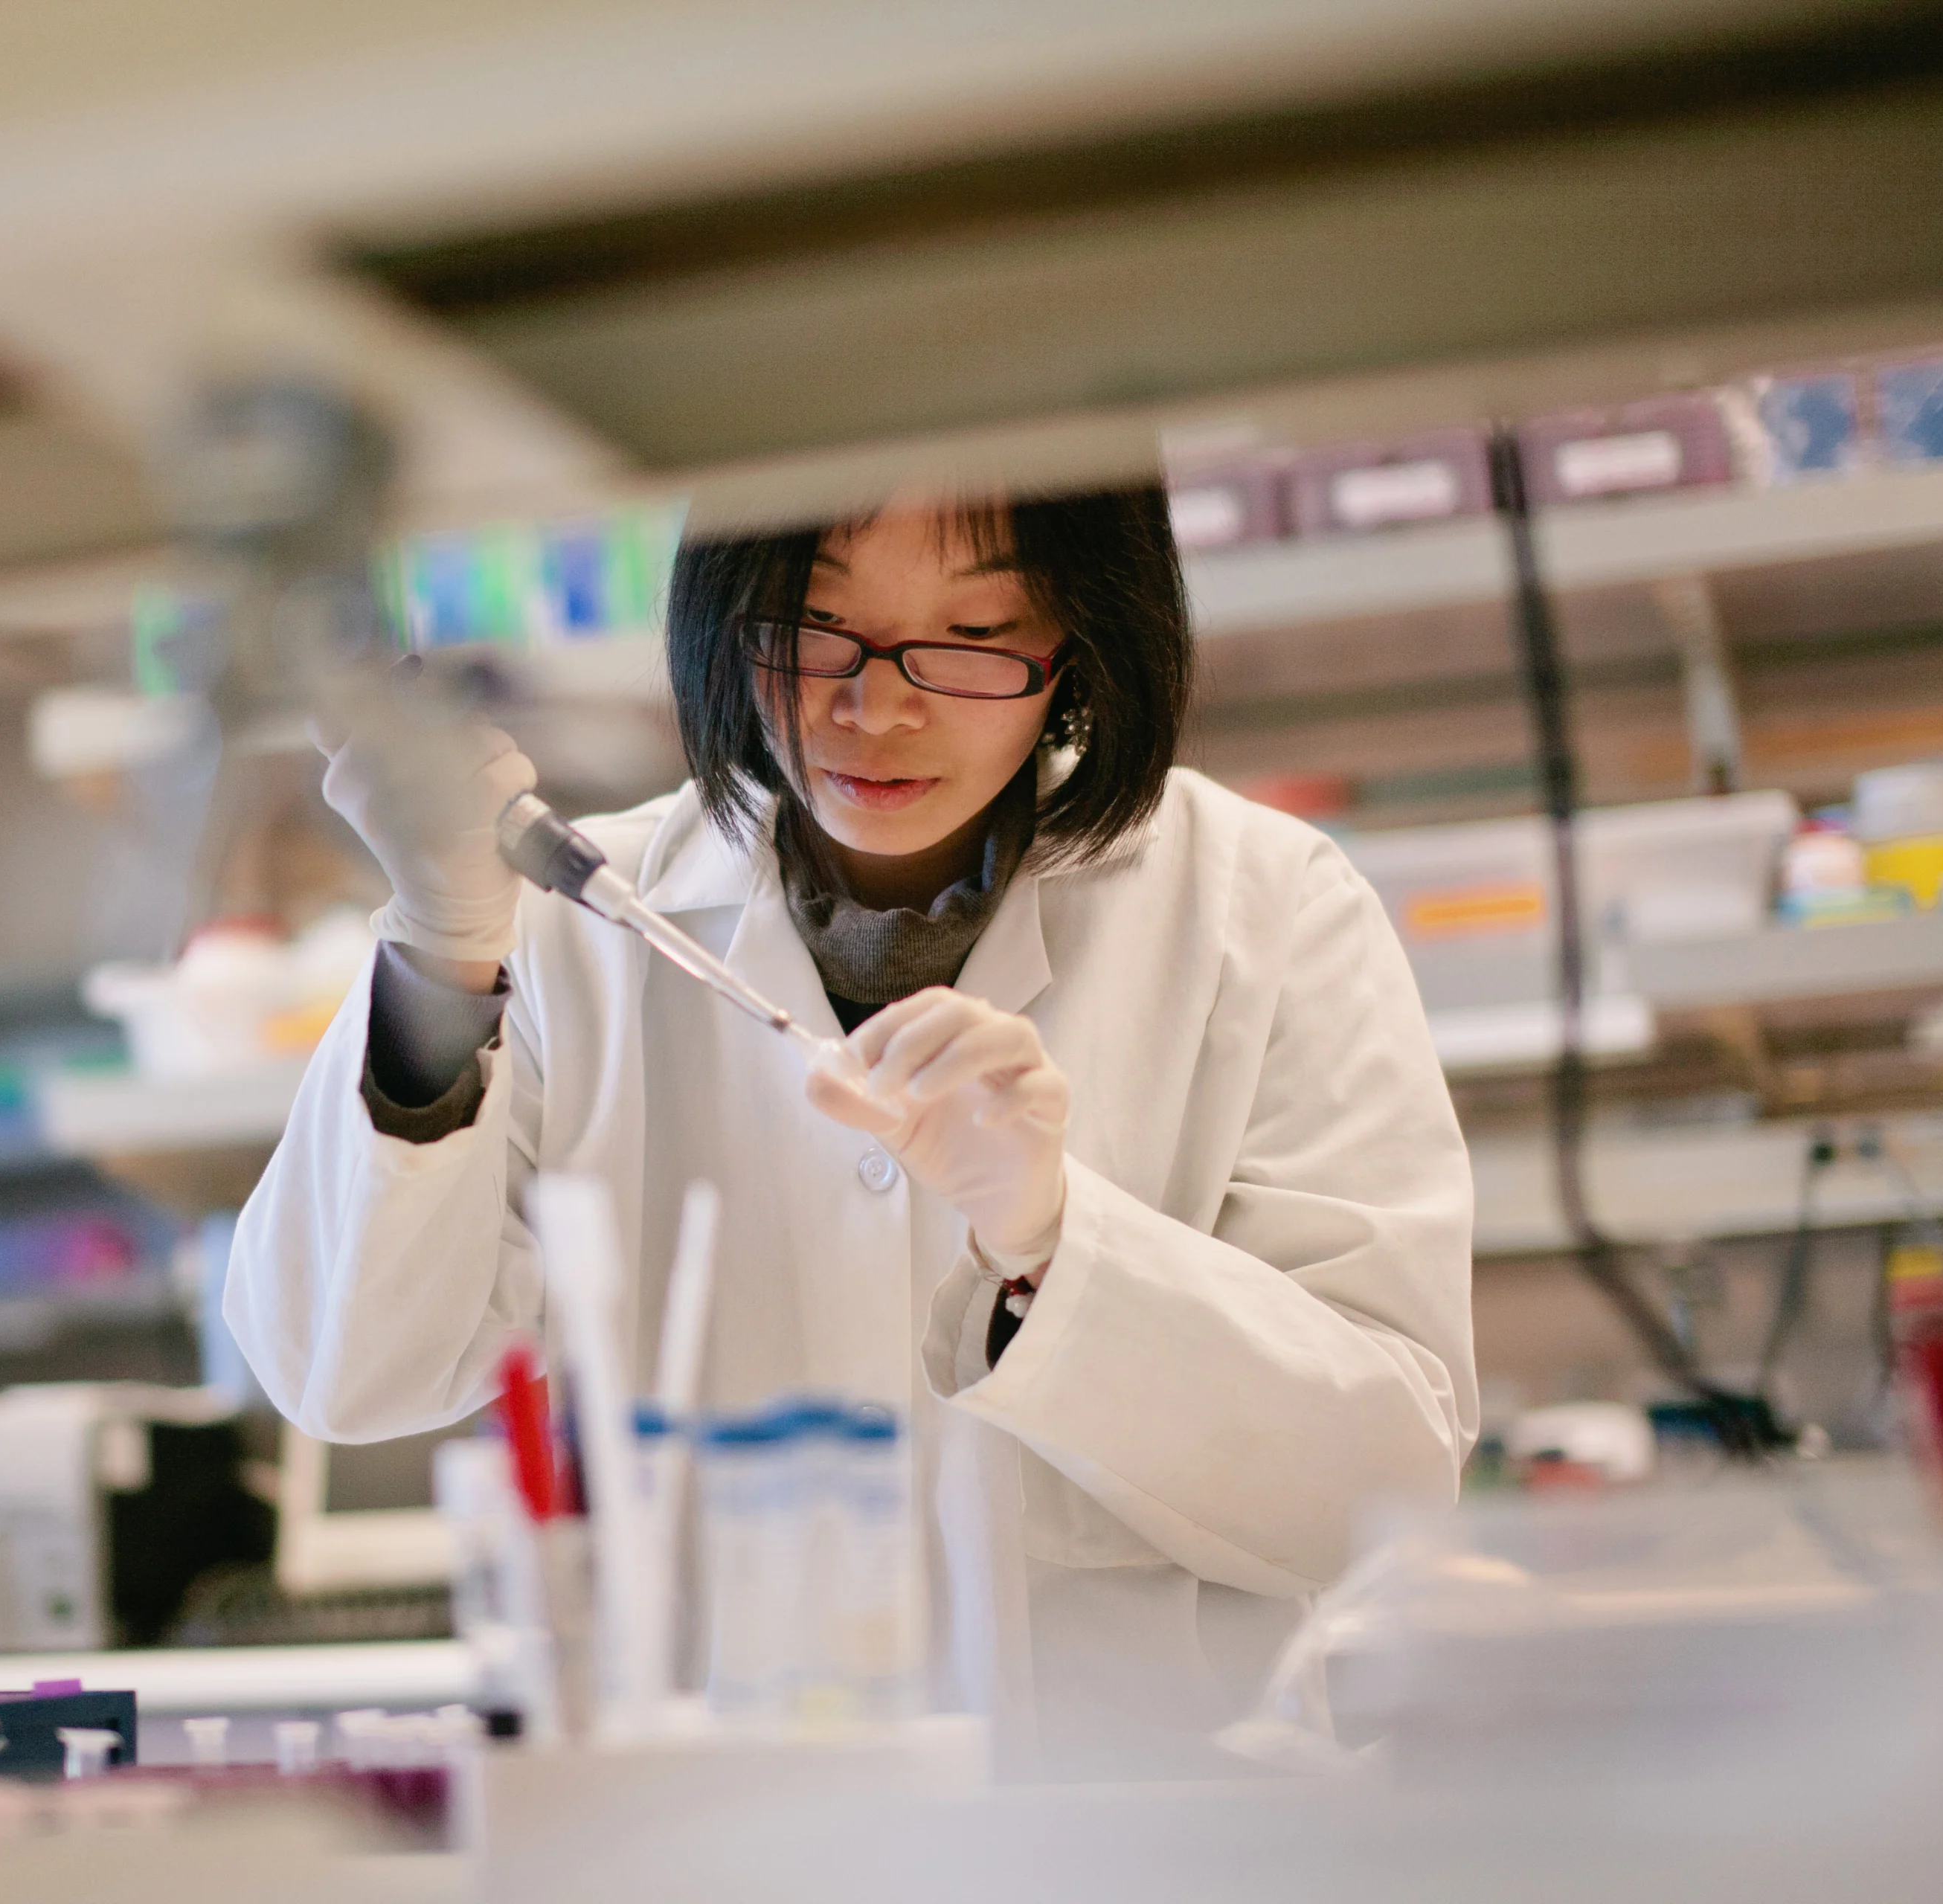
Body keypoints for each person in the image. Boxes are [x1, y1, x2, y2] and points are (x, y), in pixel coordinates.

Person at [228, 489, 1474, 1776]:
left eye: (975, 634)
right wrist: (442, 952)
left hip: (1147, 1843)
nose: (875, 709)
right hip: (735, 1838)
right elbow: (346, 1368)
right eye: (812, 630)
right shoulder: (566, 927)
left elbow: (1377, 1496)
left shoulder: (1261, 911)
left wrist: (1058, 1241)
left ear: (1083, 644)